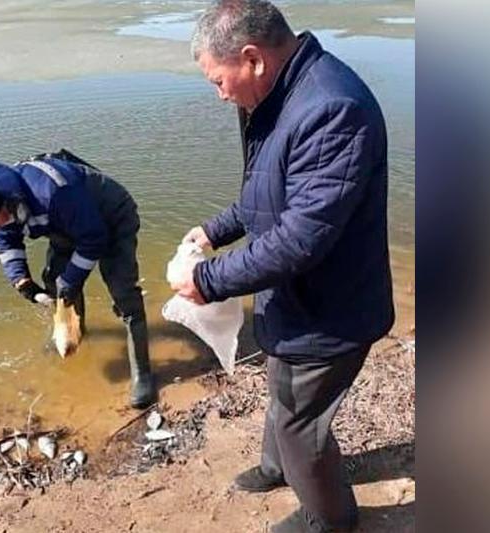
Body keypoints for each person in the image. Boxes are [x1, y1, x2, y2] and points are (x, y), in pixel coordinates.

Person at [171, 1, 395, 531]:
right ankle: (277, 468)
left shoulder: (332, 110)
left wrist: (207, 279)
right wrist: (215, 230)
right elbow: (269, 193)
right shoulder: (278, 95)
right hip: (295, 300)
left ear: (252, 59)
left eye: (218, 81)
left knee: (301, 428)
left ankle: (330, 519)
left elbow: (300, 238)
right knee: (283, 390)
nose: (219, 94)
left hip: (330, 310)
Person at [0, 150, 157, 409]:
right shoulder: (4, 201)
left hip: (111, 217)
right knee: (54, 280)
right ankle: (74, 334)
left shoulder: (52, 193)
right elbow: (7, 241)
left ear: (7, 203)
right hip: (68, 224)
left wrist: (71, 279)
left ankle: (142, 373)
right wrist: (22, 282)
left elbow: (94, 239)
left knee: (122, 291)